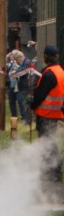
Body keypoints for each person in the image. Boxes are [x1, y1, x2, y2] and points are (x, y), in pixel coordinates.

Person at [31, 45, 64, 183]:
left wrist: (31, 104)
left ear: (45, 57)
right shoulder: (60, 71)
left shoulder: (49, 74)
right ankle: (52, 171)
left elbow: (40, 95)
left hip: (46, 114)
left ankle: (51, 172)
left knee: (47, 144)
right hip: (55, 113)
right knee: (50, 143)